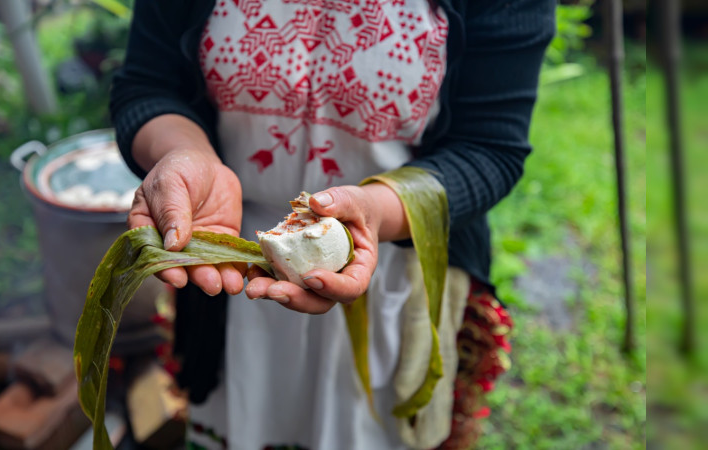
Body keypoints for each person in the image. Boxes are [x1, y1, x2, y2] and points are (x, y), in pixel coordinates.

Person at [110, 0, 554, 448]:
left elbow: (488, 147)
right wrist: (185, 153)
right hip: (231, 261)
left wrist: (376, 209)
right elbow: (147, 85)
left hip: (396, 263)